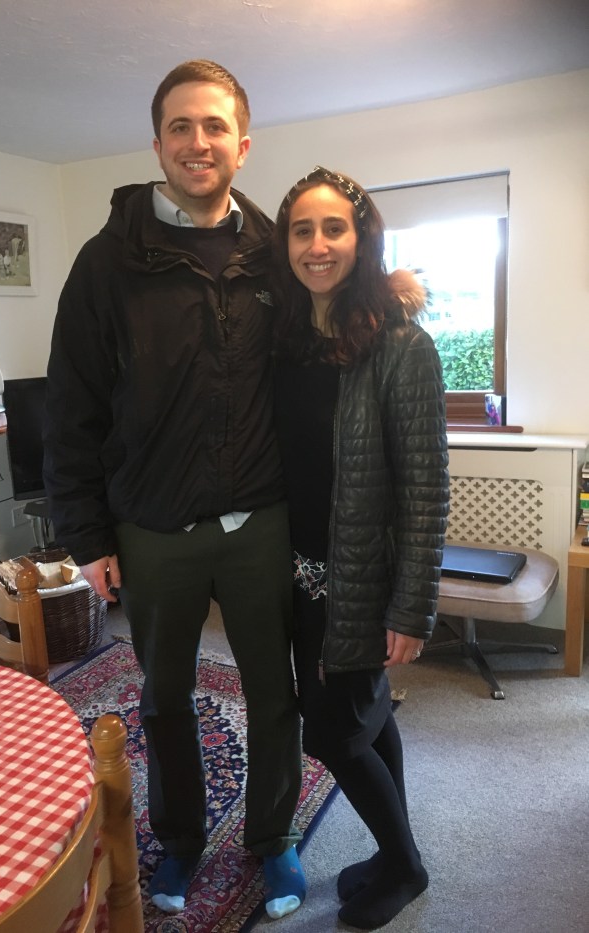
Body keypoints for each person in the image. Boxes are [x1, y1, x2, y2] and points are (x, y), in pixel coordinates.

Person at [43, 60, 305, 920]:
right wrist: (88, 537)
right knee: (164, 698)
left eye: (215, 126)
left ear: (242, 143)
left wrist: (392, 295)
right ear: (157, 143)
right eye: (181, 126)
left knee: (274, 693)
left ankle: (272, 836)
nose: (199, 142)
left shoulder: (275, 254)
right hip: (152, 527)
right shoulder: (105, 264)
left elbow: (329, 336)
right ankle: (182, 837)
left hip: (260, 519)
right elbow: (71, 407)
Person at [271, 166, 449, 929]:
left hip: (361, 580)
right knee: (368, 716)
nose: (317, 245)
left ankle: (405, 865)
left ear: (362, 238)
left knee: (332, 734)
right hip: (299, 575)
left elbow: (426, 489)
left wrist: (411, 607)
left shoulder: (403, 346)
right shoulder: (288, 342)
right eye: (302, 230)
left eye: (334, 228)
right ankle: (392, 848)